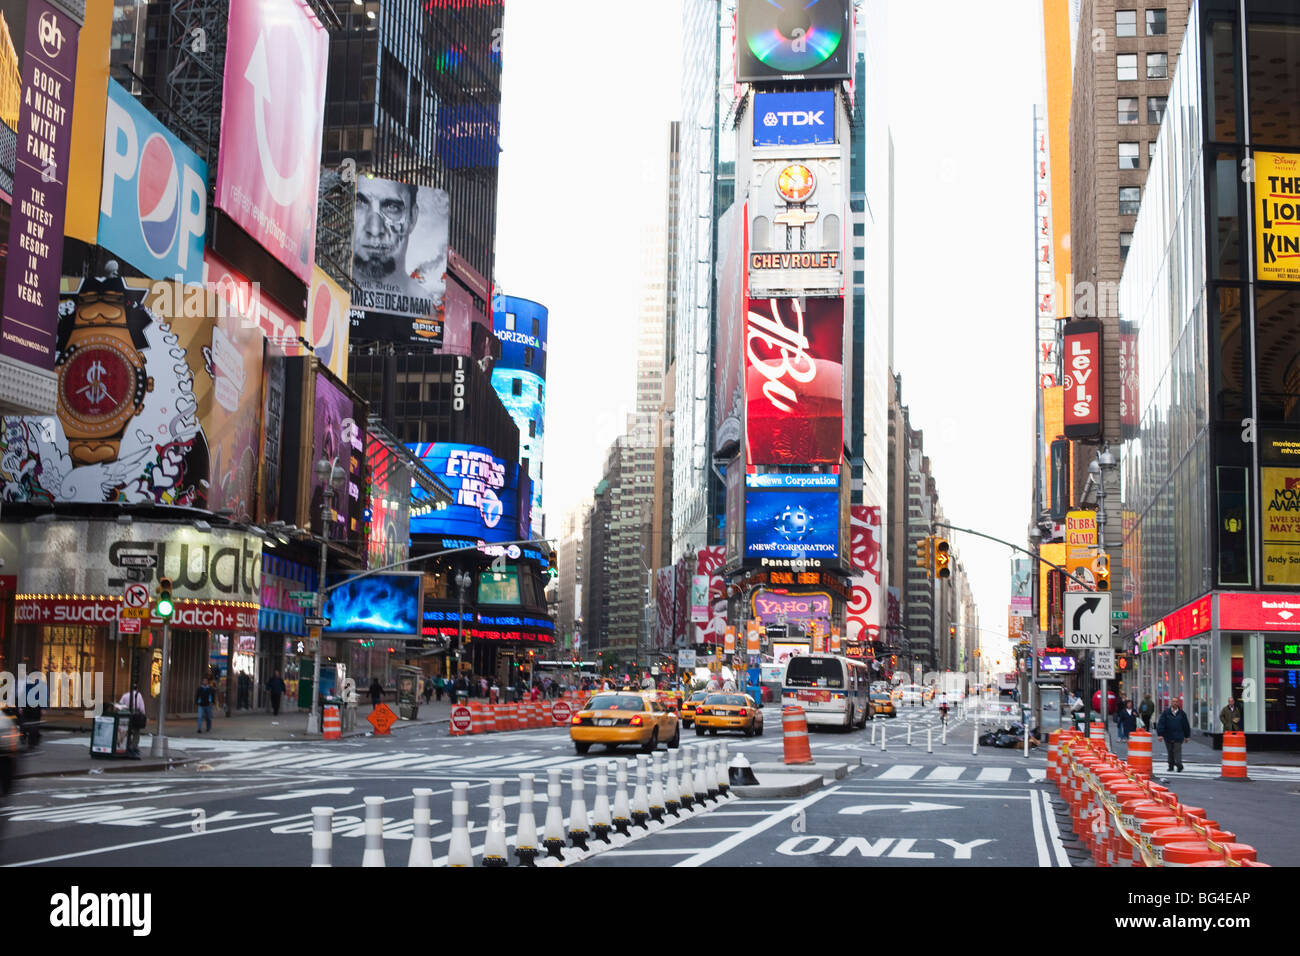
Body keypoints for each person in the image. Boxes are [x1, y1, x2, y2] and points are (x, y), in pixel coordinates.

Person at [1155, 697, 1191, 772]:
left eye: (1176, 702)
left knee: (1177, 750)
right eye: (1173, 701)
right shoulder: (1166, 713)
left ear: (1178, 703)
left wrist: (1187, 736)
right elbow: (1161, 723)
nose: (1175, 703)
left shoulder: (1182, 713)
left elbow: (1185, 725)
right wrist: (1160, 734)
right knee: (1170, 751)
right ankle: (1171, 765)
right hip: (1168, 735)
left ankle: (1179, 764)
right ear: (1171, 703)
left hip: (1178, 735)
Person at [118, 684, 146, 759]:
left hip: (127, 715)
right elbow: (142, 707)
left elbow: (120, 706)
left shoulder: (125, 695)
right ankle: (134, 747)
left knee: (128, 732)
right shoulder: (138, 695)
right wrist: (143, 714)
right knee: (136, 732)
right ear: (136, 689)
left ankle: (127, 746)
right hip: (136, 716)